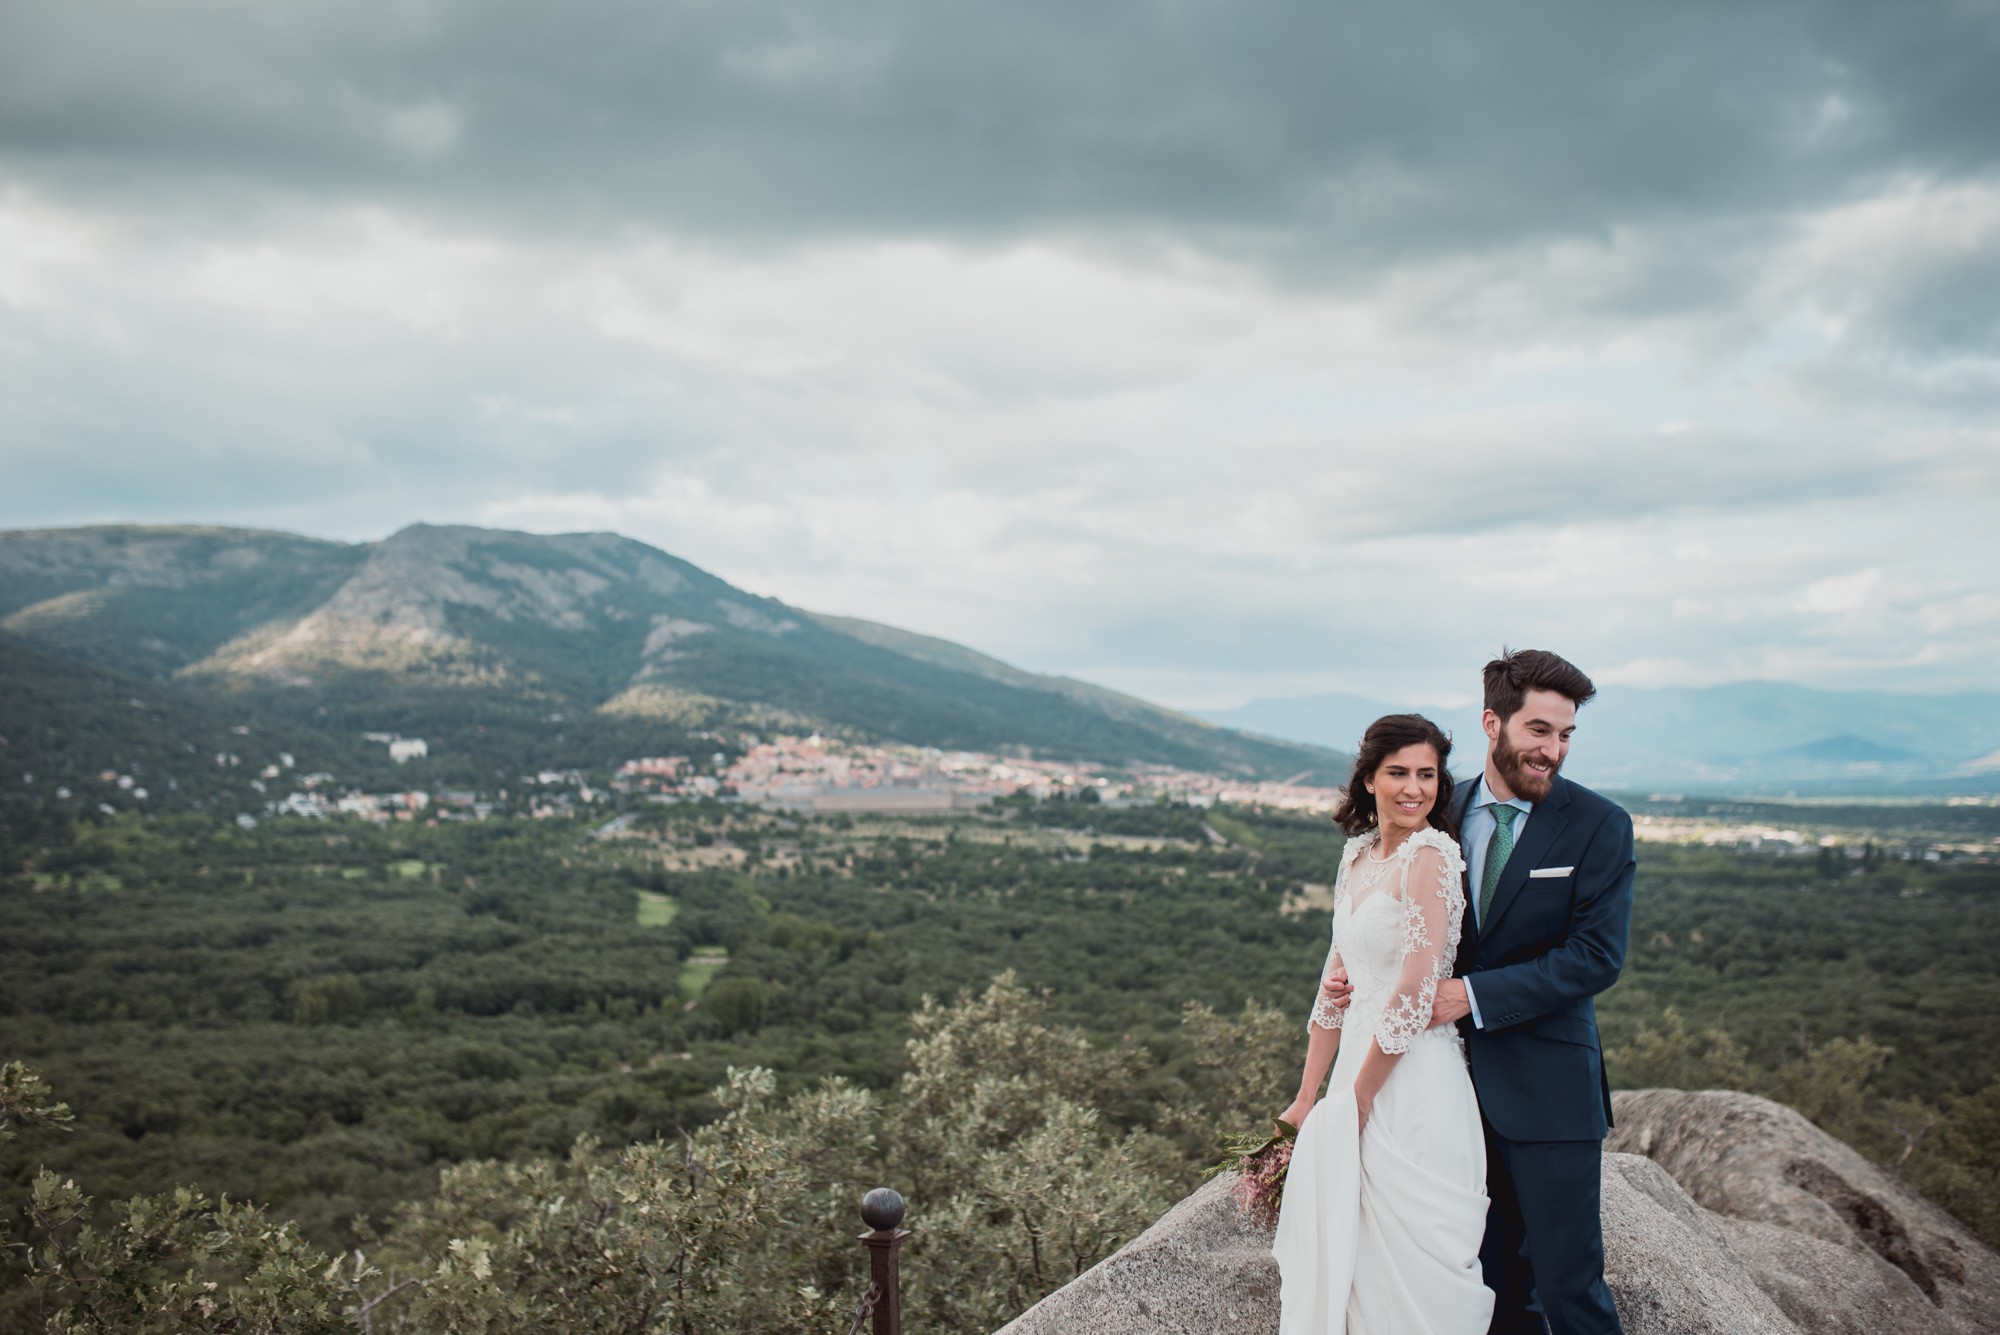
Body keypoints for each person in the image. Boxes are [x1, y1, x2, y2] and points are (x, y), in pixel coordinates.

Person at [1429, 648, 1633, 1335]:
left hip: (1550, 1092)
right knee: (1488, 1289)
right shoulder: (1438, 810)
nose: (1553, 749)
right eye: (1539, 730)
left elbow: (1595, 957)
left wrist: (1470, 995)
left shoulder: (1600, 824)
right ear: (1493, 721)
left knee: (1568, 1285)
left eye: (1566, 734)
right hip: (1448, 1091)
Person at [1272, 713, 1494, 1335]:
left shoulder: (1434, 857)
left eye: (1427, 775)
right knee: (1349, 1257)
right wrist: (1307, 1099)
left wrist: (1358, 1103)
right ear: (1368, 779)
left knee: (1409, 1268)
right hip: (1351, 1077)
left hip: (1411, 1083)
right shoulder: (1357, 856)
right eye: (1397, 773)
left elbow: (1414, 993)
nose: (1413, 789)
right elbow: (1331, 990)